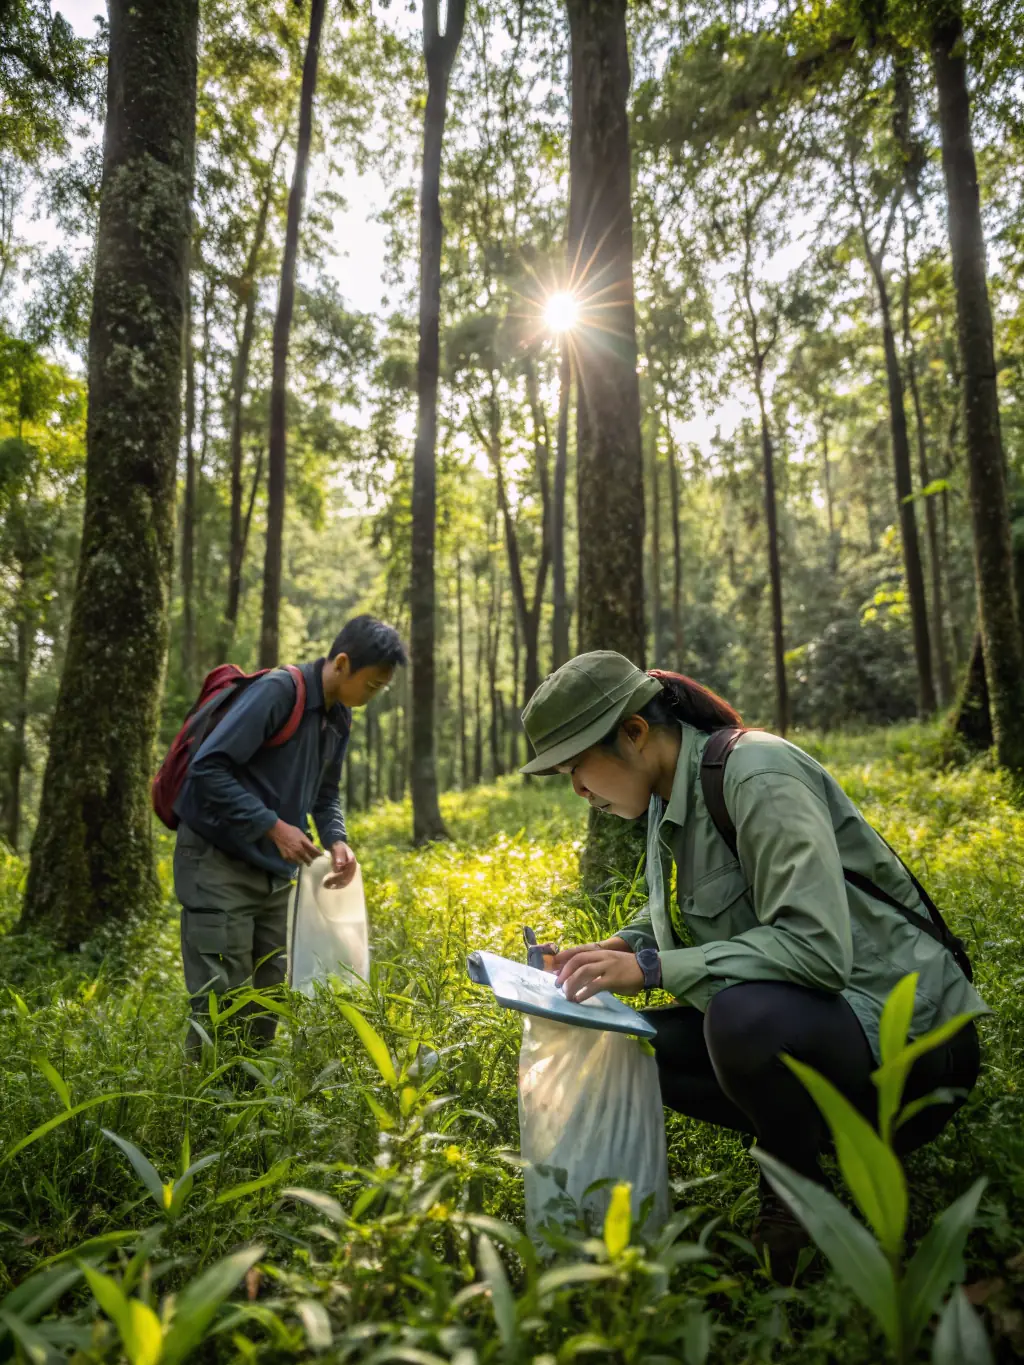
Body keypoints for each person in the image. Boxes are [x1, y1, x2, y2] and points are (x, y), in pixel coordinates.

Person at [520, 651, 988, 1275]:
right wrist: (625, 946)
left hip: (916, 1044)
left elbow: (815, 950)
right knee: (630, 1053)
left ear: (634, 732)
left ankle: (793, 1205)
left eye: (579, 767)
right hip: (827, 1024)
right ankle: (812, 1140)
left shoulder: (755, 773)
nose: (579, 791)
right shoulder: (666, 796)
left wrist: (655, 970)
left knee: (739, 1019)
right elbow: (702, 904)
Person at [173, 615, 406, 1054]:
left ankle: (247, 1106)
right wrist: (273, 826)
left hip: (273, 872)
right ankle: (202, 1111)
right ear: (341, 663)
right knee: (222, 997)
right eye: (371, 686)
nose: (372, 697)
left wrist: (336, 838)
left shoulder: (339, 717)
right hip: (217, 861)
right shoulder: (279, 692)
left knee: (267, 993)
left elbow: (326, 790)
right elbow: (208, 767)